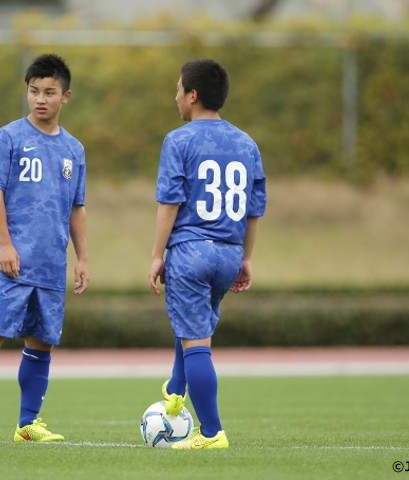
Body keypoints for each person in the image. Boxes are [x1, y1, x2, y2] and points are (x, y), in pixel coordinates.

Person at [0, 53, 89, 443]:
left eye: (49, 91)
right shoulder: (9, 137)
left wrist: (82, 258)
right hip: (12, 261)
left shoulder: (74, 150)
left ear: (66, 96)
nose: (40, 99)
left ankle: (27, 424)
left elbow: (77, 207)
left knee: (42, 343)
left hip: (51, 265)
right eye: (34, 91)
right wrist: (5, 245)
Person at [148, 59, 266, 449]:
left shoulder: (178, 140)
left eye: (178, 88)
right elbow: (253, 208)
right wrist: (245, 259)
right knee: (194, 328)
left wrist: (156, 254)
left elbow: (169, 202)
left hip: (191, 251)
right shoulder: (247, 143)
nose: (175, 95)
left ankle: (212, 433)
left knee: (197, 344)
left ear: (193, 95)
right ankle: (176, 390)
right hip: (229, 254)